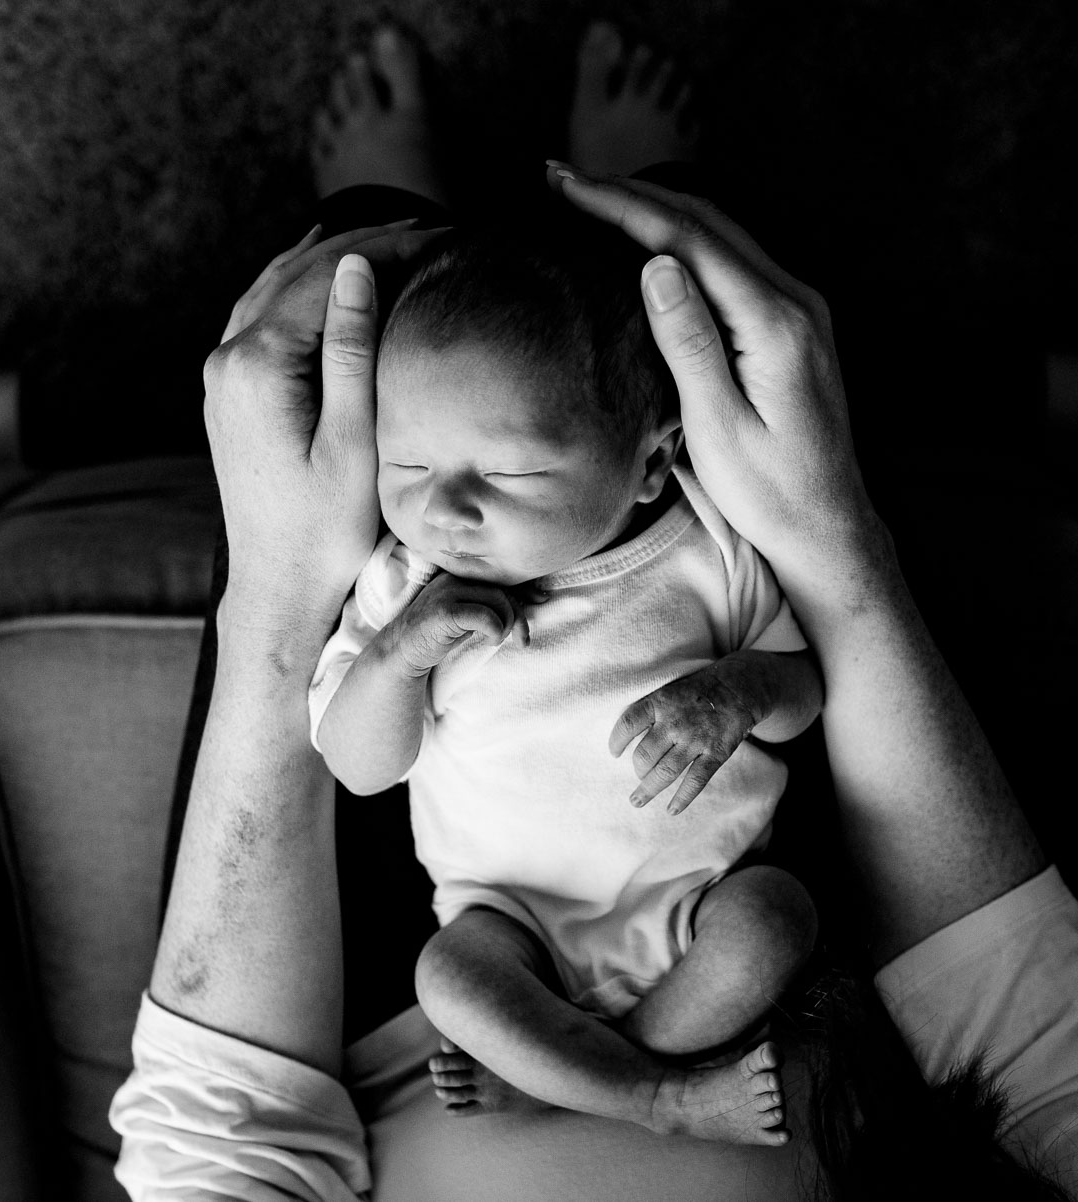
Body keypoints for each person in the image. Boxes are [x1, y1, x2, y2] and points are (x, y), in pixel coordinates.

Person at [110, 20, 1078, 1201]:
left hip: (438, 1023)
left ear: (652, 477)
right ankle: (627, 199)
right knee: (696, 337)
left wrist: (277, 603)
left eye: (487, 483)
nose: (445, 515)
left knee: (349, 378)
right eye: (432, 483)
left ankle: (389, 209)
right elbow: (1044, 1075)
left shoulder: (632, 543)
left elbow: (215, 1141)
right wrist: (832, 553)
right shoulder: (581, 546)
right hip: (775, 997)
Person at [309, 212, 824, 1146]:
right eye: (407, 463)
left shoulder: (708, 545)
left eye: (509, 471)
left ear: (652, 461)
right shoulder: (407, 585)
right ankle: (654, 1098)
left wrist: (741, 691)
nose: (444, 506)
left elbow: (803, 698)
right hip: (510, 921)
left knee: (777, 921)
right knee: (448, 980)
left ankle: (571, 1075)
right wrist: (398, 655)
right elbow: (356, 765)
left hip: (702, 895)